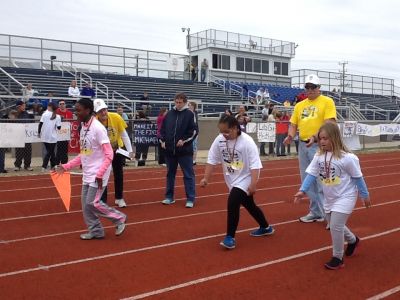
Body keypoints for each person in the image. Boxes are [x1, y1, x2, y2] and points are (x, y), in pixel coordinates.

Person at [294, 122, 371, 269]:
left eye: (325, 138)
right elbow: (311, 174)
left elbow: (357, 177)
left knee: (335, 226)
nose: (322, 141)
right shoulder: (319, 156)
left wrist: (365, 195)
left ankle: (338, 257)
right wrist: (302, 190)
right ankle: (353, 240)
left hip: (345, 196)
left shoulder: (347, 158)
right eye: (320, 138)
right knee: (335, 224)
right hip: (330, 197)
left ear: (334, 138)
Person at [200, 115, 274, 249]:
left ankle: (230, 237)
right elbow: (211, 159)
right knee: (249, 205)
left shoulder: (247, 142)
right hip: (232, 178)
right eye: (221, 132)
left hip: (246, 177)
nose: (224, 135)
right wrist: (206, 178)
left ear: (235, 128)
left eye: (227, 131)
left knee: (233, 201)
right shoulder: (220, 140)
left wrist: (253, 184)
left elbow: (255, 165)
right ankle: (265, 227)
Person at [57, 98, 127, 240]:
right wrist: (65, 166)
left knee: (92, 203)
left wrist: (100, 173)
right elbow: (84, 154)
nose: (76, 113)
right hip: (88, 173)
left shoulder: (98, 128)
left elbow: (109, 154)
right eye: (75, 109)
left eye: (78, 110)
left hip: (98, 173)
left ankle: (118, 217)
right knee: (85, 205)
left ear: (88, 110)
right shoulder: (84, 127)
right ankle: (96, 231)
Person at [284, 74, 337, 223]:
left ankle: (330, 215)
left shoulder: (327, 101)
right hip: (302, 145)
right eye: (307, 87)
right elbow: (293, 124)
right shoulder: (300, 105)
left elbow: (329, 123)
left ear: (319, 88)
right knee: (307, 179)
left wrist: (316, 137)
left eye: (313, 87)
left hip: (320, 145)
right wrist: (290, 135)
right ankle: (316, 211)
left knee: (322, 180)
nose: (310, 89)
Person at [93, 98, 134, 208]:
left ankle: (119, 198)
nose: (103, 112)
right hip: (103, 153)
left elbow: (124, 135)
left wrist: (130, 151)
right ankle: (102, 200)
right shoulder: (94, 122)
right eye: (100, 111)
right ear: (96, 113)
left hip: (116, 149)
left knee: (118, 174)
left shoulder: (116, 117)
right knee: (102, 175)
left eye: (104, 109)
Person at [160, 93, 196, 208]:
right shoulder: (169, 114)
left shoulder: (190, 114)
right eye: (176, 102)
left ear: (185, 102)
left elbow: (194, 131)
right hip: (170, 150)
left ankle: (190, 198)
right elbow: (162, 130)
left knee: (188, 175)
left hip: (184, 151)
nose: (178, 104)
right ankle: (169, 197)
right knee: (170, 174)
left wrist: (184, 140)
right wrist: (163, 140)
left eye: (180, 102)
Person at [38, 102, 62, 171]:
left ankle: (52, 166)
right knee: (50, 152)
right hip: (53, 137)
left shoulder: (44, 114)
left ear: (50, 107)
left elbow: (40, 124)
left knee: (50, 152)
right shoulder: (57, 116)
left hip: (45, 136)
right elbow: (59, 127)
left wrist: (39, 132)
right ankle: (45, 166)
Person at [14, 100, 34, 171]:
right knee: (19, 151)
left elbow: (32, 122)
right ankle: (17, 165)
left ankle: (27, 165)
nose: (24, 107)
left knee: (28, 151)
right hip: (18, 135)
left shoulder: (28, 113)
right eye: (23, 105)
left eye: (24, 105)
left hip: (27, 136)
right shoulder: (14, 113)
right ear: (18, 106)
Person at [55, 100, 73, 164]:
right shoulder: (56, 112)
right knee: (58, 149)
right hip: (58, 133)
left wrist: (71, 133)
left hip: (66, 133)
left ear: (65, 104)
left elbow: (71, 123)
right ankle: (57, 163)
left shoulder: (69, 113)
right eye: (60, 104)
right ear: (58, 105)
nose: (62, 105)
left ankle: (64, 163)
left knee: (65, 150)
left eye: (63, 104)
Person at [188, 101, 199, 165]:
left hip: (194, 132)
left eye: (190, 105)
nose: (189, 106)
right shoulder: (188, 113)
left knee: (194, 146)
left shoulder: (194, 113)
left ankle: (193, 160)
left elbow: (194, 124)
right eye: (189, 105)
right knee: (190, 146)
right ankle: (190, 159)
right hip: (189, 132)